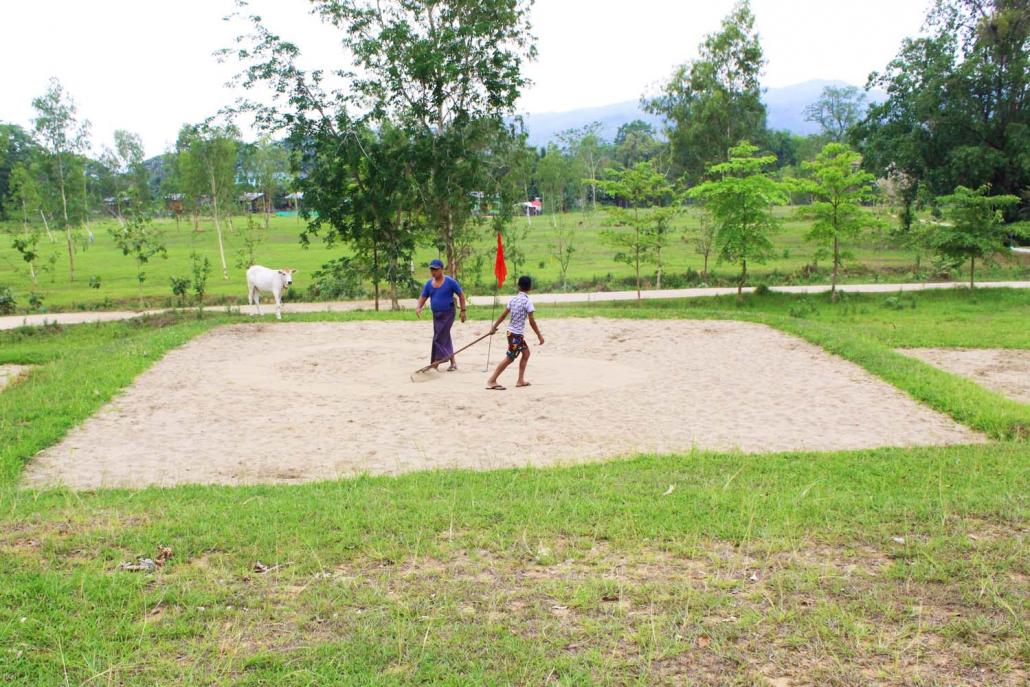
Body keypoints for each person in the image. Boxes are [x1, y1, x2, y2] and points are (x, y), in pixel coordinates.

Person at [485, 275, 544, 390]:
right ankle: (492, 380)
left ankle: (520, 380)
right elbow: (532, 321)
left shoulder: (513, 300)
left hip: (511, 333)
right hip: (516, 335)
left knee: (526, 354)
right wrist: (539, 336)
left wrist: (494, 327)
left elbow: (503, 315)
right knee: (510, 358)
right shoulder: (528, 302)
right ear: (530, 287)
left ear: (518, 286)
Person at [415, 259, 467, 371]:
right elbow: (423, 296)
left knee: (438, 338)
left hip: (448, 313)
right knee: (444, 335)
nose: (433, 272)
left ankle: (436, 363)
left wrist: (463, 311)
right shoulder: (429, 284)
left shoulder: (450, 282)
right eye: (431, 270)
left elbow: (461, 294)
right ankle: (453, 363)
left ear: (442, 269)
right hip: (436, 315)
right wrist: (419, 307)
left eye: (435, 269)